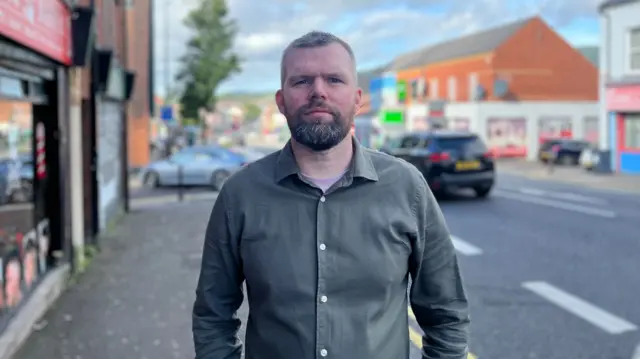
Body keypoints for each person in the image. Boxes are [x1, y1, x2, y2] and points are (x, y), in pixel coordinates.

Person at [192, 31, 470, 359]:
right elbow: (213, 316)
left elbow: (446, 315)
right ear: (281, 101)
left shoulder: (407, 188)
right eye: (302, 81)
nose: (318, 92)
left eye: (334, 79)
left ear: (357, 98)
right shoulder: (241, 194)